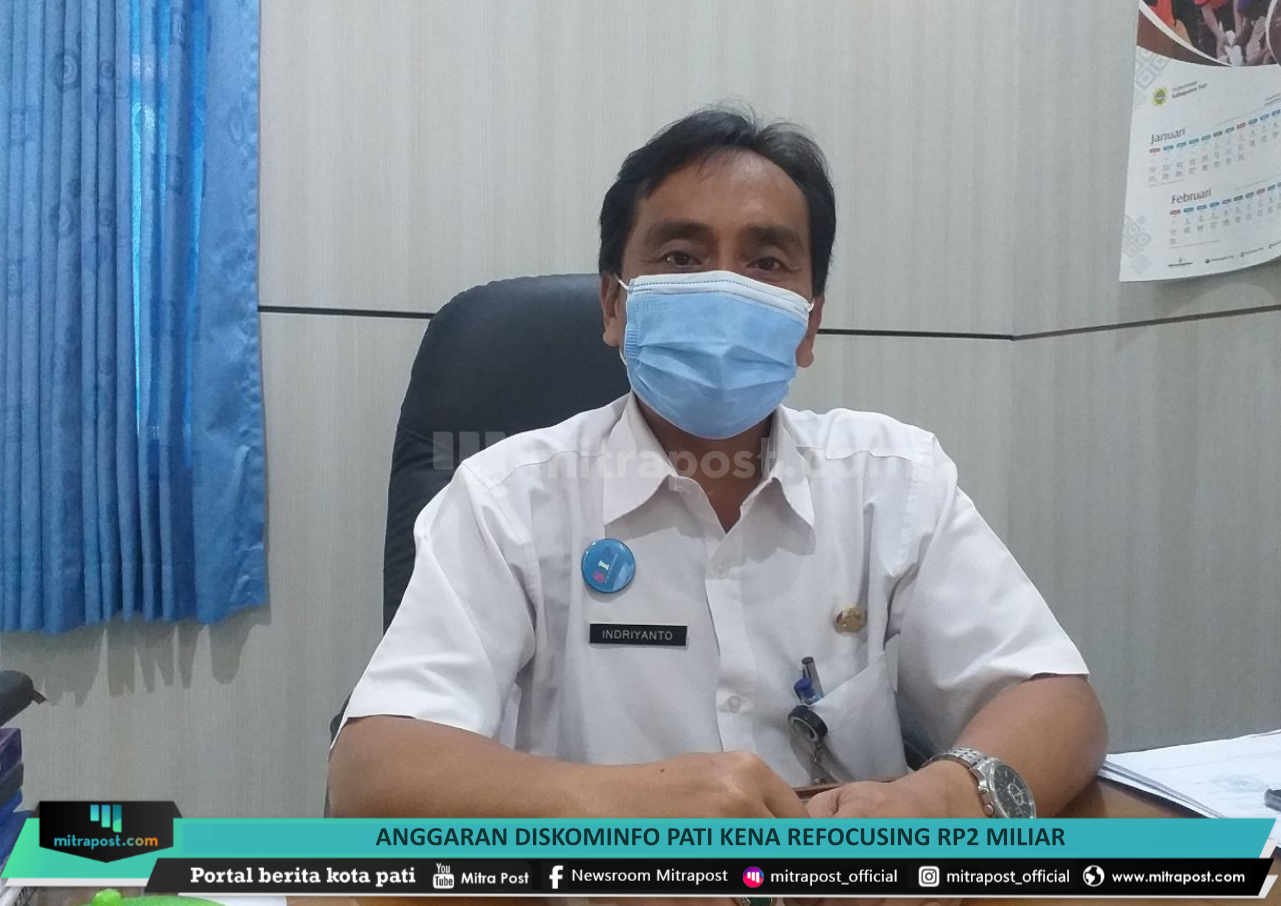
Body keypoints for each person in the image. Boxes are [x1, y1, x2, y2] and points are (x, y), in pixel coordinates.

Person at [327, 108, 1107, 821]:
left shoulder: (892, 478)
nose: (725, 288)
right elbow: (373, 767)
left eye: (766, 262)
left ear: (807, 326)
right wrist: (616, 813)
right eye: (681, 256)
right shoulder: (507, 498)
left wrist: (943, 802)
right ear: (614, 306)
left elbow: (1052, 699)